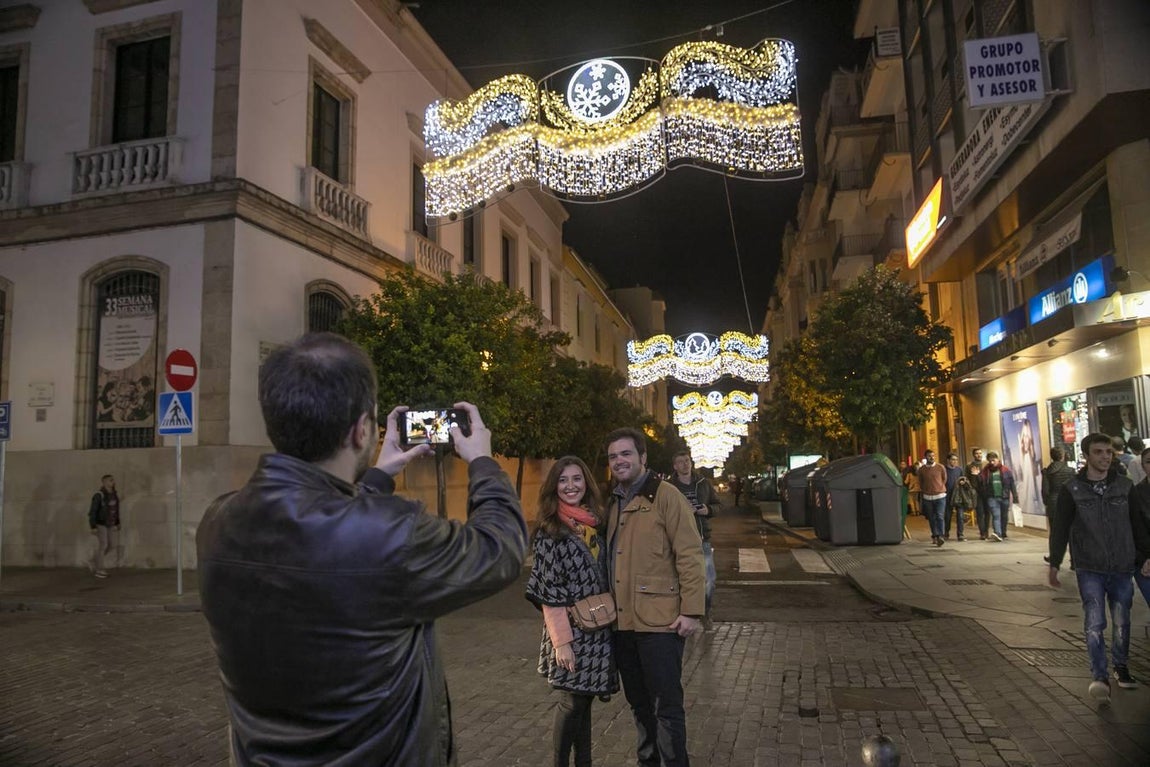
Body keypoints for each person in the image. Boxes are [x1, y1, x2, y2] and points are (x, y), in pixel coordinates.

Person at [196, 332, 528, 767]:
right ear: (361, 430)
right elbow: (500, 548)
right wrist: (482, 460)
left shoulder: (218, 522)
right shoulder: (391, 534)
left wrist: (376, 475)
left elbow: (323, 534)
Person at [605, 428, 705, 767]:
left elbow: (690, 554)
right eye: (613, 456)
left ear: (643, 458)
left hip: (660, 624)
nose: (619, 461)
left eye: (626, 454)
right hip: (623, 625)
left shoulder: (665, 496)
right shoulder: (614, 500)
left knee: (666, 708)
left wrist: (692, 611)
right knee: (639, 707)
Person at [525, 456, 618, 767]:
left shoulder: (593, 523)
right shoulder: (549, 531)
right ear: (554, 487)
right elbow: (548, 592)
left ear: (586, 484)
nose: (570, 486)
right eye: (563, 480)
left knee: (584, 703)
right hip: (570, 632)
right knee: (571, 702)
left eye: (576, 479)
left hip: (598, 628)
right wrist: (561, 642)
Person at [1048, 432, 1138, 702]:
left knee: (1122, 620)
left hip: (1122, 564)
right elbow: (1061, 528)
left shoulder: (1125, 486)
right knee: (1094, 622)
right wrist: (1054, 562)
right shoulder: (1073, 489)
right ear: (1086, 456)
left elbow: (1139, 524)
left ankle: (1120, 666)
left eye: (1108, 452)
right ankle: (1099, 675)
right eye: (1098, 452)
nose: (1105, 457)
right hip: (1090, 567)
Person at [669, 450, 720, 622]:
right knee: (679, 579)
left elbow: (718, 505)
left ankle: (704, 610)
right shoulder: (669, 487)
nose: (685, 464)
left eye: (687, 460)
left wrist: (708, 510)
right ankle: (683, 612)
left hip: (701, 539)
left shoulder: (703, 483)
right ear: (675, 466)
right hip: (677, 539)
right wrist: (683, 512)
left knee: (709, 579)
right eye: (681, 461)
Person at [87, 474, 121, 578]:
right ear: (104, 482)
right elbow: (92, 512)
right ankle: (99, 570)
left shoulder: (114, 494)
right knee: (103, 545)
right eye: (111, 480)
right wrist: (93, 526)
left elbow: (115, 510)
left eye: (113, 480)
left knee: (111, 545)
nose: (113, 482)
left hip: (110, 524)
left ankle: (93, 561)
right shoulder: (99, 495)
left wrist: (117, 522)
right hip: (100, 523)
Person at [978, 451, 1017, 541]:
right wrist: (977, 476)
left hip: (1004, 497)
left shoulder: (1006, 470)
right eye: (990, 461)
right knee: (996, 515)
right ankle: (997, 533)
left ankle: (1003, 532)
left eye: (993, 460)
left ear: (998, 459)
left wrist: (1015, 496)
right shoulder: (985, 471)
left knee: (1004, 517)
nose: (992, 462)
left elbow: (1012, 484)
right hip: (992, 497)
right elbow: (981, 483)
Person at [1131, 447, 1150, 610]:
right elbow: (1137, 529)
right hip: (1144, 558)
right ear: (1143, 466)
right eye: (1149, 462)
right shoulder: (1136, 494)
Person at [917, 450, 948, 546]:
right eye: (929, 456)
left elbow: (944, 479)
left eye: (933, 456)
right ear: (925, 457)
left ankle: (941, 536)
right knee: (931, 518)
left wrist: (939, 487)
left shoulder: (940, 467)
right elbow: (920, 482)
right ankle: (934, 535)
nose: (932, 457)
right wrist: (926, 489)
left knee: (940, 516)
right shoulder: (922, 469)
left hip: (940, 496)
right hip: (927, 497)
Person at [943, 452, 965, 541]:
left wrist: (963, 482)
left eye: (956, 460)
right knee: (947, 516)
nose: (955, 461)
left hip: (958, 496)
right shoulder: (943, 469)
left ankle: (960, 534)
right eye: (953, 459)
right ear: (948, 460)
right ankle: (946, 533)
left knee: (960, 516)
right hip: (947, 496)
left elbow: (963, 479)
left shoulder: (959, 469)